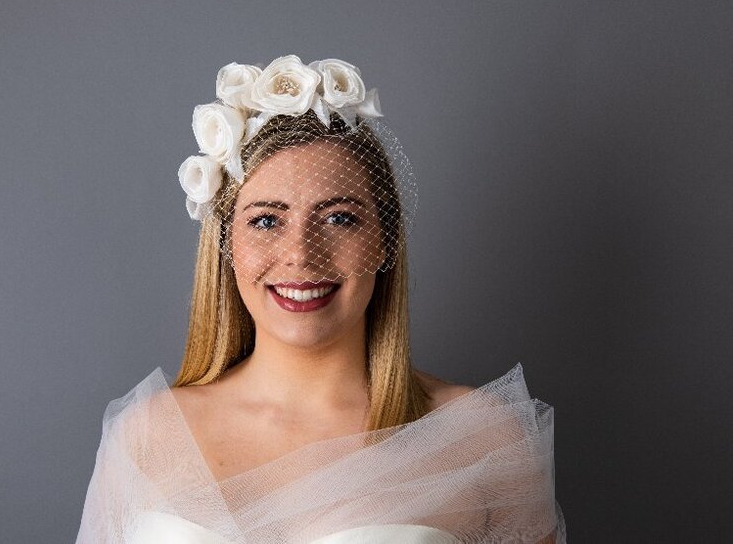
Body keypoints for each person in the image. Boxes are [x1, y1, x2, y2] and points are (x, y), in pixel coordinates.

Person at [75, 55, 566, 543]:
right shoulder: (148, 437)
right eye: (266, 221)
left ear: (385, 240)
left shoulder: (479, 439)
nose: (301, 256)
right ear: (225, 246)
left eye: (339, 218)